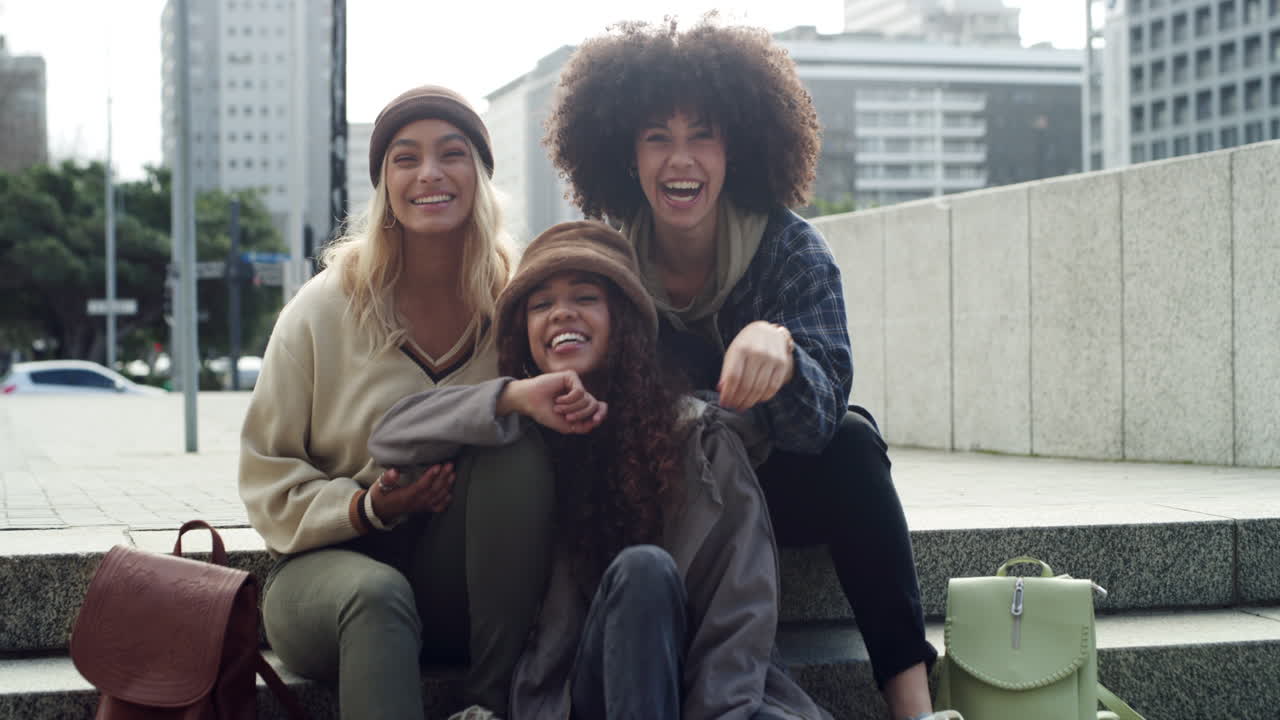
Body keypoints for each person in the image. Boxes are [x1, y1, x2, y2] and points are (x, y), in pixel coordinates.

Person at [543, 19, 951, 720]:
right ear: (624, 152)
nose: (681, 160)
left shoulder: (790, 250)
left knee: (856, 441)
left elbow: (822, 417)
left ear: (738, 145)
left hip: (765, 485)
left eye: (703, 133)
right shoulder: (604, 266)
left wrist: (783, 354)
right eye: (657, 137)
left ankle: (914, 708)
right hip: (657, 504)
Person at [369, 220, 832, 720]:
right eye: (541, 304)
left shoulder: (699, 437)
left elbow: (740, 607)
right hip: (570, 695)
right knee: (642, 570)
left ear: (624, 320)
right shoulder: (513, 436)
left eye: (585, 297)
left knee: (650, 577)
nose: (562, 312)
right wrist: (512, 397)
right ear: (523, 333)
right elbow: (390, 438)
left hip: (693, 690)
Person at [238, 85, 556, 720]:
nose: (430, 174)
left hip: (460, 587)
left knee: (513, 451)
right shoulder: (322, 309)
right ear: (384, 180)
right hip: (326, 578)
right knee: (377, 595)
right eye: (406, 158)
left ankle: (490, 706)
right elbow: (266, 481)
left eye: (452, 153)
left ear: (481, 175)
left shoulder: (520, 305)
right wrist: (366, 506)